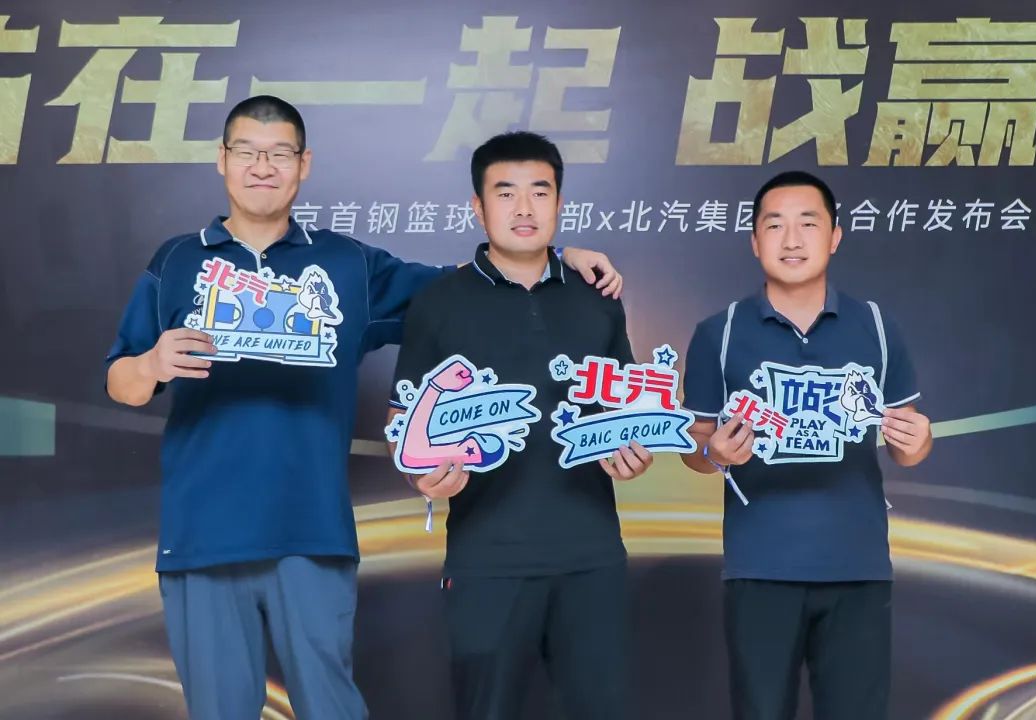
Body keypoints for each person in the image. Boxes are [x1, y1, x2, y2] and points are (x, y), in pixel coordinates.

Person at [104, 95, 624, 720]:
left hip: (312, 531)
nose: (263, 166)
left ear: (304, 164)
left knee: (331, 707)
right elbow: (121, 382)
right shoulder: (177, 262)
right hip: (202, 531)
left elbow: (471, 284)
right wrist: (151, 364)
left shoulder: (348, 265)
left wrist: (558, 258)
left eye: (280, 153)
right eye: (247, 151)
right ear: (222, 159)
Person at [388, 131, 653, 720]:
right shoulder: (440, 302)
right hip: (487, 558)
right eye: (505, 193)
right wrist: (421, 476)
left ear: (560, 202)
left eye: (540, 191)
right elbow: (403, 419)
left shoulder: (597, 297)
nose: (524, 207)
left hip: (591, 554)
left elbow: (627, 406)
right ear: (478, 207)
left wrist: (634, 451)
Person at [680, 170, 933, 720]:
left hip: (858, 567)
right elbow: (694, 448)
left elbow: (908, 445)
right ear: (755, 240)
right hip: (759, 566)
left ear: (834, 236)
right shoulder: (718, 333)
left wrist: (918, 440)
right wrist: (714, 455)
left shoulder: (877, 327)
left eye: (808, 224)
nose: (791, 239)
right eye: (775, 225)